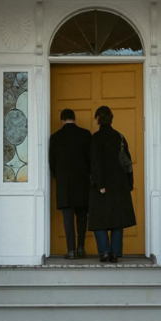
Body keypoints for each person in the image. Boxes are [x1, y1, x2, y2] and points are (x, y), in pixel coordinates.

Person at [88, 105, 137, 263]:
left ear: (98, 119)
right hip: (119, 184)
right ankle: (115, 254)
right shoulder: (120, 137)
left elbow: (95, 163)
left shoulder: (95, 138)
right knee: (117, 220)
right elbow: (127, 162)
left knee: (99, 220)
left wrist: (99, 183)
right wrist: (129, 183)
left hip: (101, 184)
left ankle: (104, 252)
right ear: (111, 118)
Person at [49, 108, 92, 259]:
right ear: (74, 119)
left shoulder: (55, 138)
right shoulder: (86, 134)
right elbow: (91, 159)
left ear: (62, 120)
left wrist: (58, 177)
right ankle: (81, 247)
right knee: (82, 218)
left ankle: (71, 250)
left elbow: (52, 163)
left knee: (68, 220)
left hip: (64, 184)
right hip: (82, 183)